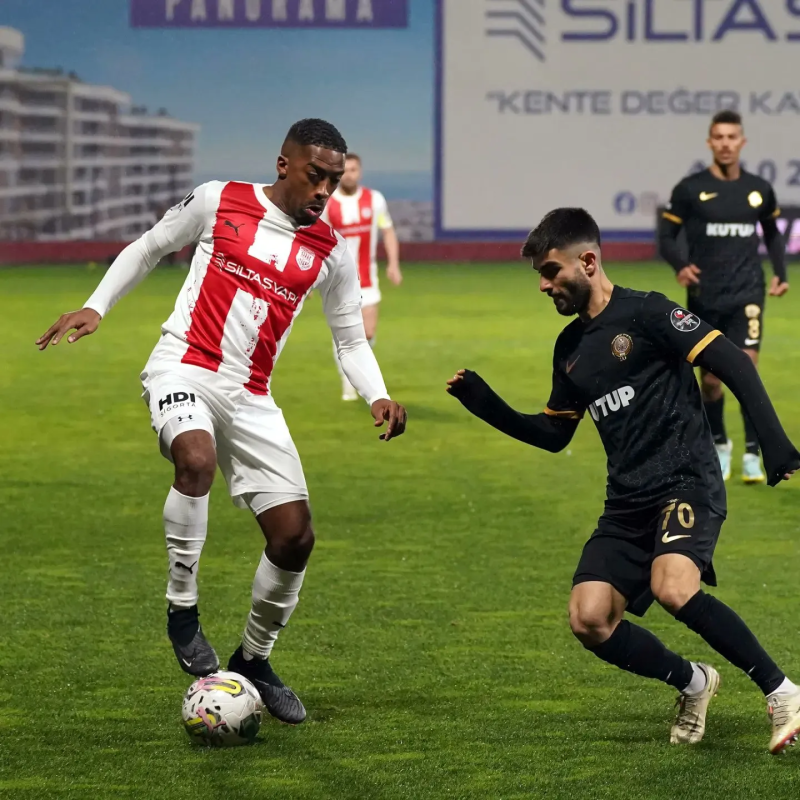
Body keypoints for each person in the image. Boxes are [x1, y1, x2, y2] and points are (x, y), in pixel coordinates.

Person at [36, 118, 408, 725]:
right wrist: (95, 305)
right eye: (315, 175)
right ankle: (182, 610)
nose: (324, 190)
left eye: (334, 180)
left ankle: (254, 660)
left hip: (253, 396)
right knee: (195, 459)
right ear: (284, 165)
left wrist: (377, 394)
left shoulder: (331, 252)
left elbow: (348, 340)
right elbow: (149, 247)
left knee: (295, 538)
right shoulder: (219, 200)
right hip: (183, 366)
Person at [447, 207, 800, 754]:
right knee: (588, 618)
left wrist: (774, 444)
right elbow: (554, 434)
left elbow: (732, 361)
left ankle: (783, 692)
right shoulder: (570, 348)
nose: (543, 285)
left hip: (686, 480)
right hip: (627, 500)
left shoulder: (649, 312)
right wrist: (485, 403)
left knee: (673, 587)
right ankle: (694, 683)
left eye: (551, 271)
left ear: (588, 262)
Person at [660, 110, 789, 484]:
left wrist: (780, 273)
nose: (725, 144)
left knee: (746, 370)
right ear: (709, 142)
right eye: (719, 137)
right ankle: (719, 444)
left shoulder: (759, 189)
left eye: (732, 137)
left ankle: (751, 453)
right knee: (712, 382)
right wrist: (681, 265)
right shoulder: (690, 189)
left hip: (747, 293)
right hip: (706, 296)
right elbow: (666, 236)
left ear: (742, 142)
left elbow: (772, 233)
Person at [323, 153, 402, 401]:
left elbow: (387, 231)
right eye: (344, 170)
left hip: (367, 278)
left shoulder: (374, 200)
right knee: (346, 331)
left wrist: (393, 264)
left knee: (367, 332)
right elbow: (317, 240)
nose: (349, 175)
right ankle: (348, 380)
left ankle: (355, 372)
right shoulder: (328, 202)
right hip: (338, 280)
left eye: (353, 170)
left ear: (360, 172)